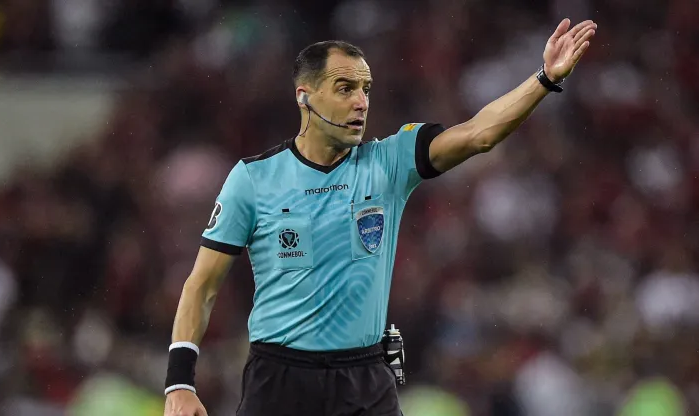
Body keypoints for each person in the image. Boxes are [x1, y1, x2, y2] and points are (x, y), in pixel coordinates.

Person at [164, 18, 598, 416]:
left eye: (366, 89)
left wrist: (544, 80)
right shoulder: (254, 179)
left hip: (365, 377)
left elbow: (478, 134)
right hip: (281, 378)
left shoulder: (389, 162)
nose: (360, 103)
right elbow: (202, 285)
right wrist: (179, 382)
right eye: (344, 88)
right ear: (305, 97)